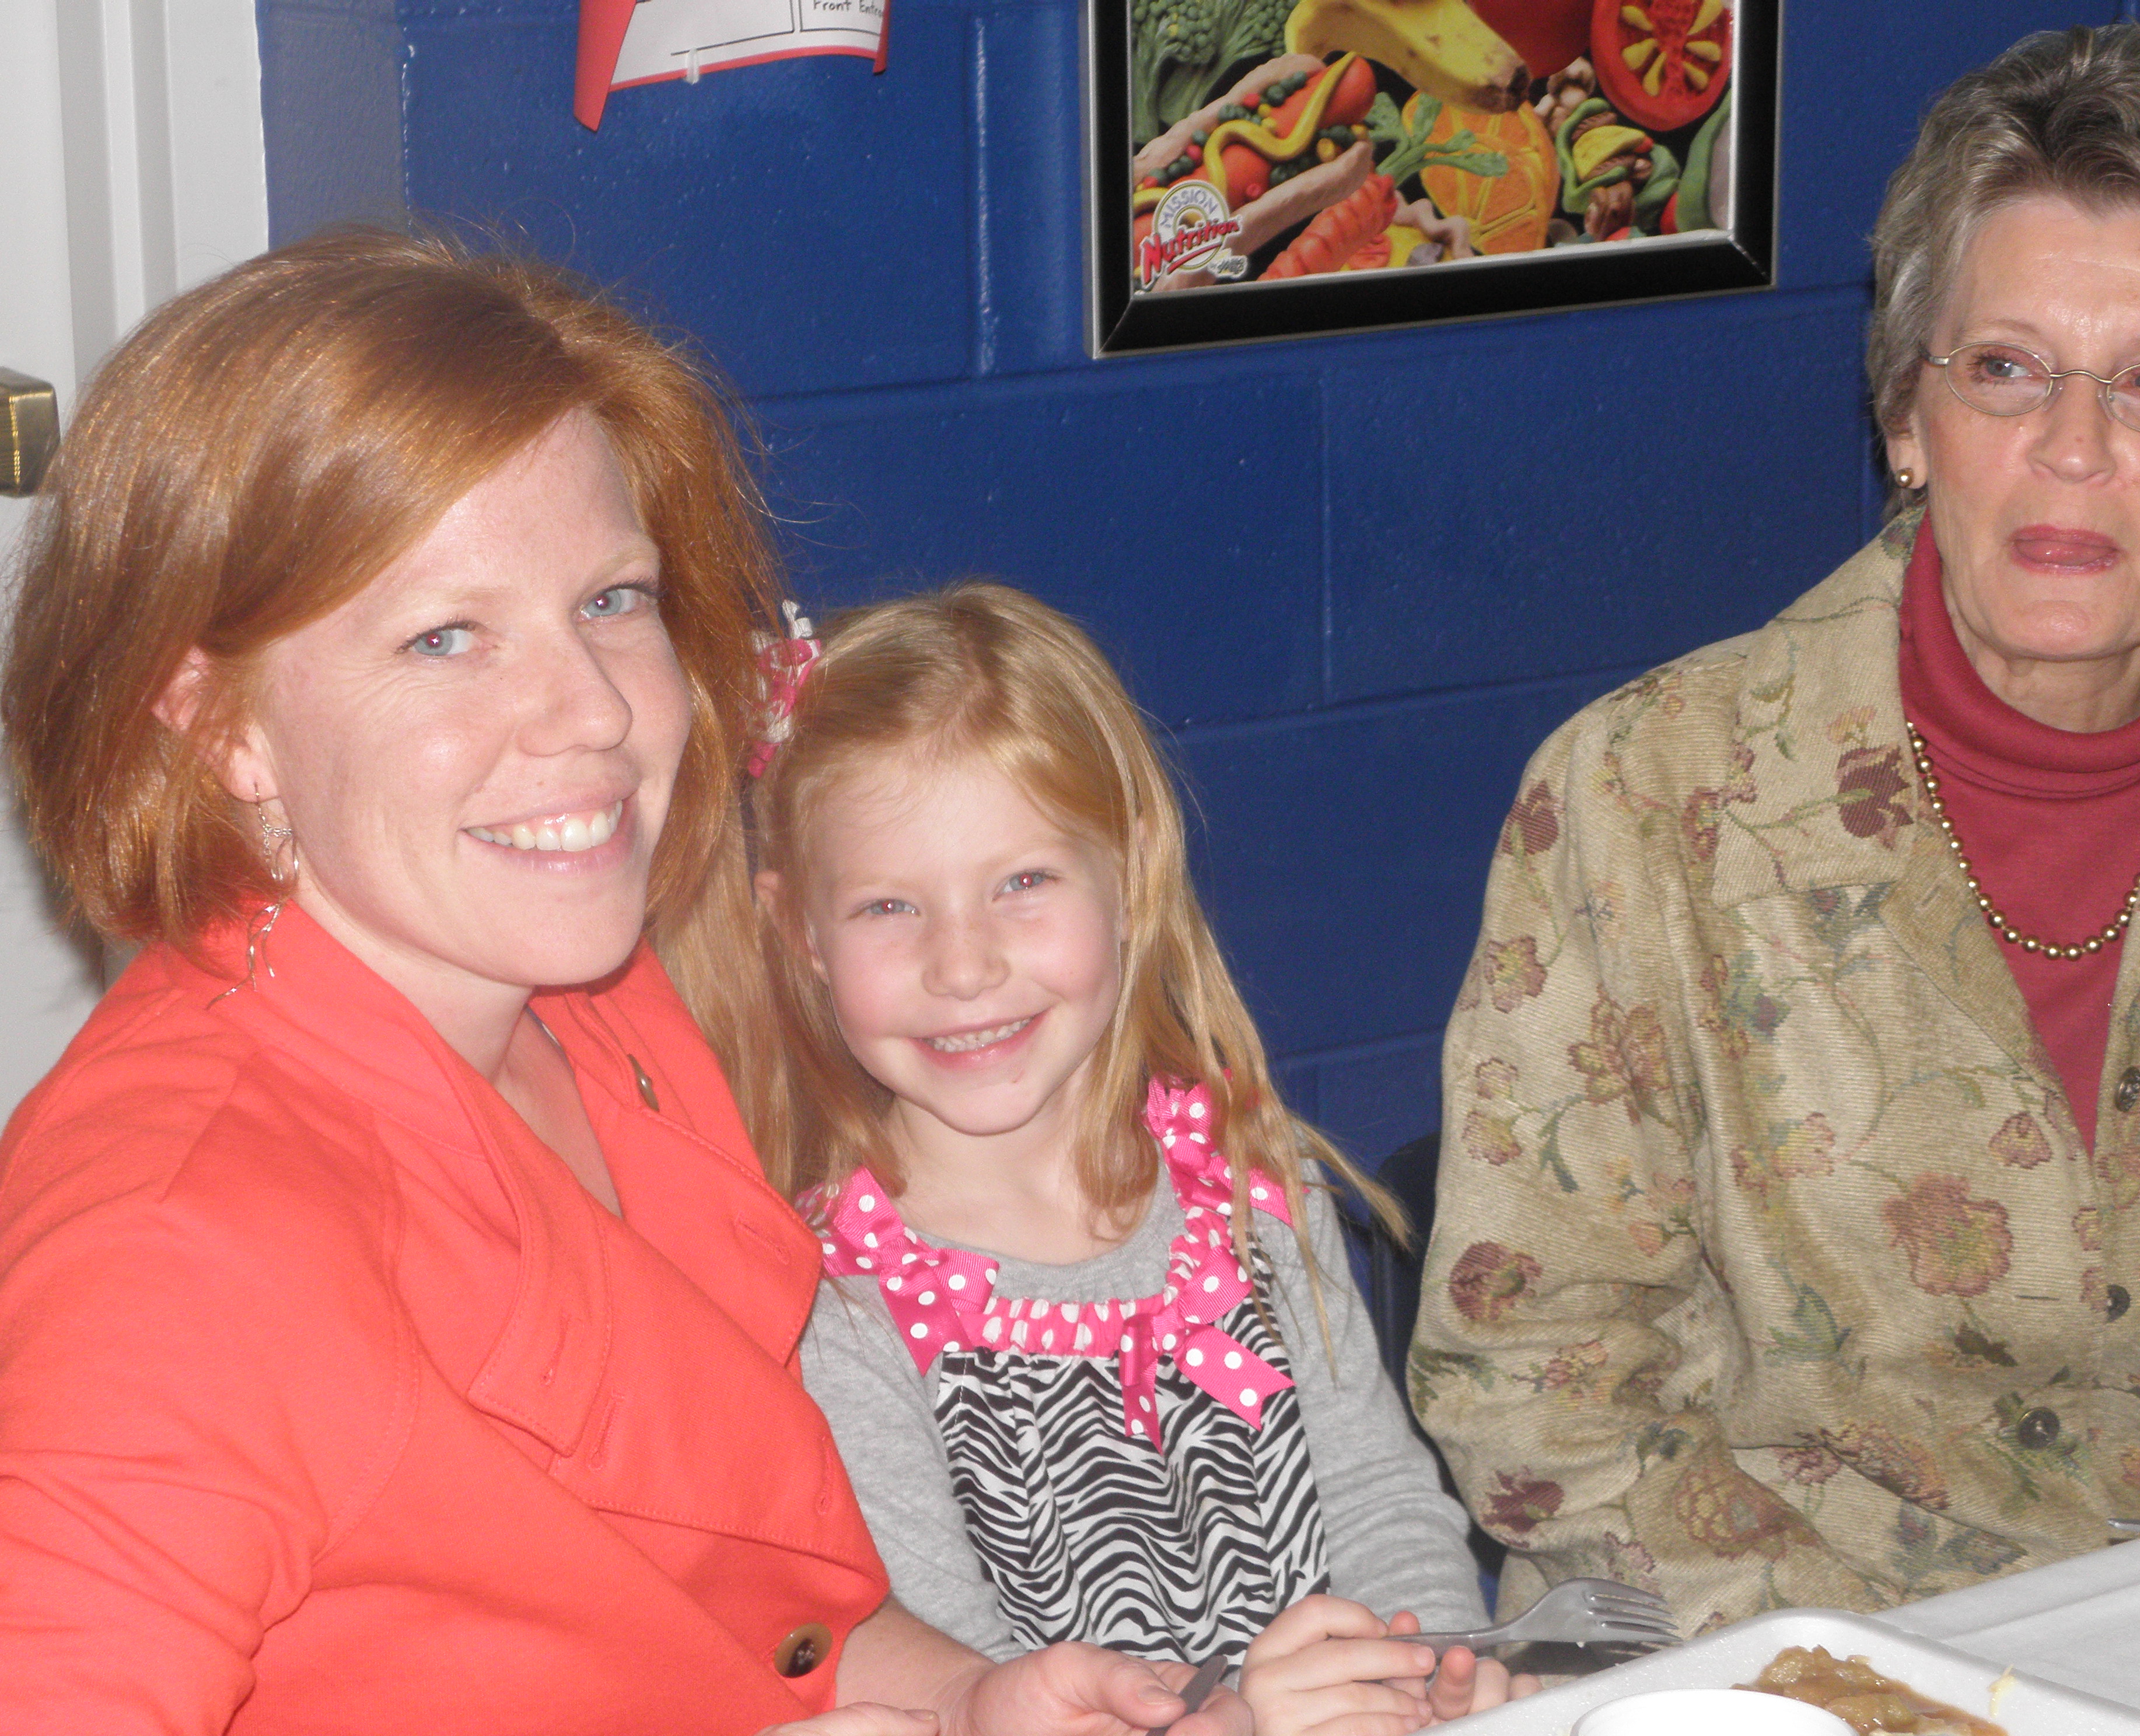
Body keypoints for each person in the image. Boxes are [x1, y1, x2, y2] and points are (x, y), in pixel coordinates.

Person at [0, 231, 1241, 1736]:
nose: (592, 711)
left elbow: (750, 1617)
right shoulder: (173, 1246)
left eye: (610, 600)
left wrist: (977, 1700)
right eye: (445, 637)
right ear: (221, 729)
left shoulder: (590, 1011)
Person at [1413, 21, 2140, 1637]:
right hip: (1774, 1643)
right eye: (2006, 369)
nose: (2073, 449)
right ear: (1910, 415)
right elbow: (1535, 1379)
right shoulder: (1645, 798)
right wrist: (1892, 1678)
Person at [732, 584, 1528, 1732]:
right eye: (889, 908)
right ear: (798, 931)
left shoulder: (1248, 1179)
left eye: (1022, 883)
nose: (964, 966)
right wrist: (1248, 1716)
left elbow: (1378, 1499)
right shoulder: (832, 1304)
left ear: (1132, 869)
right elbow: (954, 1666)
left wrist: (1426, 1670)